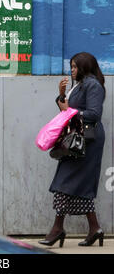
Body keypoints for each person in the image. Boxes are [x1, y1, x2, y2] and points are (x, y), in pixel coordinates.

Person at [39, 52, 106, 248]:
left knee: (64, 181)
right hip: (76, 140)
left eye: (75, 66)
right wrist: (61, 94)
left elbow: (94, 114)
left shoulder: (93, 85)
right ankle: (95, 229)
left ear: (85, 67)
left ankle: (58, 229)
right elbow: (67, 110)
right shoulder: (80, 85)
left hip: (87, 141)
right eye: (72, 66)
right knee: (76, 185)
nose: (72, 70)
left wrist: (70, 110)